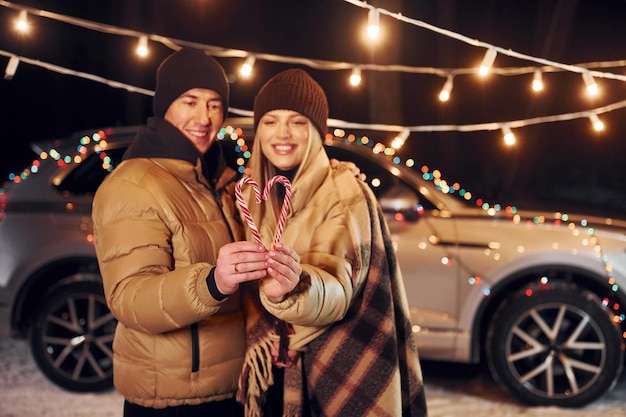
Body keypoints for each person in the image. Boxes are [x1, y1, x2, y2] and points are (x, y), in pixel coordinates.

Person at [236, 68, 428, 417]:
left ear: (316, 130)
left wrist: (294, 289)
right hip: (270, 373)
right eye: (270, 121)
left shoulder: (343, 194)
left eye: (297, 122)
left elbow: (340, 289)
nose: (282, 133)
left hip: (324, 369)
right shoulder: (250, 197)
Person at [92, 47, 270, 416]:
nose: (204, 117)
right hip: (173, 399)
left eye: (214, 104)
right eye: (190, 102)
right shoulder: (134, 184)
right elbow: (130, 298)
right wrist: (212, 282)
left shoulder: (219, 181)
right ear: (165, 105)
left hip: (232, 389)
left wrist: (330, 172)